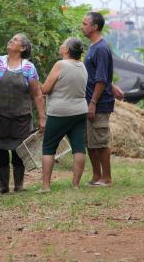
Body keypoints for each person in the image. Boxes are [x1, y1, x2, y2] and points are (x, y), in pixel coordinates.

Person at [0, 33, 46, 193]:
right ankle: (3, 186)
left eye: (15, 40)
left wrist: (42, 118)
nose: (11, 40)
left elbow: (37, 94)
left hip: (21, 118)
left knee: (19, 151)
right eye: (11, 39)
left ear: (22, 48)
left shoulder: (29, 68)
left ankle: (19, 185)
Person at [39, 37, 88, 192]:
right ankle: (75, 185)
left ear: (66, 50)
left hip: (59, 112)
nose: (60, 45)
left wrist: (34, 82)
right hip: (80, 111)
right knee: (79, 147)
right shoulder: (82, 66)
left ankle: (46, 186)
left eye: (63, 43)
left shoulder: (61, 64)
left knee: (48, 147)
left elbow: (45, 89)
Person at [81, 12, 124, 187]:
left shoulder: (101, 48)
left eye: (85, 23)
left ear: (94, 27)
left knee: (100, 140)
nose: (82, 26)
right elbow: (100, 73)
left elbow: (100, 79)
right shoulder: (93, 47)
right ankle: (96, 176)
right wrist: (112, 86)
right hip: (91, 99)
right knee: (90, 141)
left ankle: (107, 177)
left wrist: (93, 102)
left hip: (98, 102)